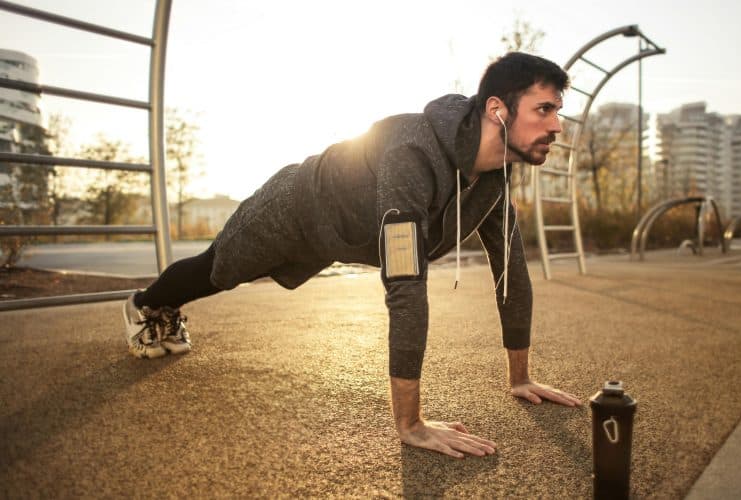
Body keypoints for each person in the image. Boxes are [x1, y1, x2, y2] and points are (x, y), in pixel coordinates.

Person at [122, 52, 583, 459]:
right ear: (497, 110)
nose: (557, 126)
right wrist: (411, 424)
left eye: (558, 111)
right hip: (293, 208)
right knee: (217, 271)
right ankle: (146, 303)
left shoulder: (494, 182)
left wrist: (520, 378)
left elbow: (512, 273)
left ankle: (160, 305)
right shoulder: (413, 154)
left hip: (341, 234)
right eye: (544, 109)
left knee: (219, 270)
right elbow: (405, 282)